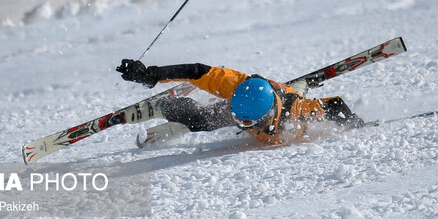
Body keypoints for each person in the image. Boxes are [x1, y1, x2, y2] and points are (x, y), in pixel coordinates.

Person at [116, 60, 365, 144]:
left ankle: (301, 84)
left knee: (296, 91)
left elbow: (335, 106)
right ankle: (169, 107)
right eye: (236, 116)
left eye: (245, 121)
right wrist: (153, 74)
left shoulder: (296, 113)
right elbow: (197, 70)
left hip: (285, 98)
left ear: (264, 117)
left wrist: (356, 125)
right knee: (202, 120)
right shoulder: (237, 88)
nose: (239, 123)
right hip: (259, 94)